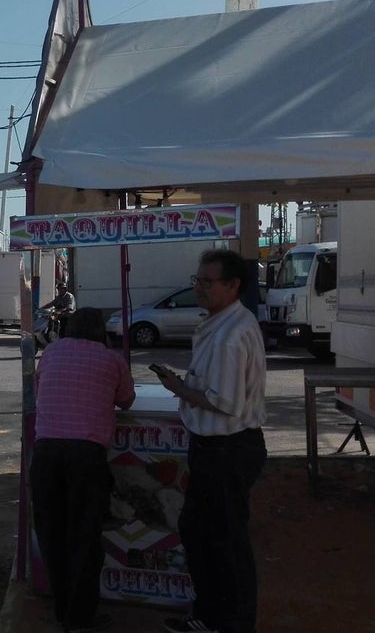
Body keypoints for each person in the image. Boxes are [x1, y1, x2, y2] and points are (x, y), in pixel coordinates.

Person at [153, 249, 267, 633]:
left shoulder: (230, 336)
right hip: (217, 449)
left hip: (227, 450)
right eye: (197, 280)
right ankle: (211, 615)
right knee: (203, 533)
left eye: (207, 282)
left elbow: (225, 403)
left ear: (232, 285)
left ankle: (228, 621)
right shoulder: (223, 324)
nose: (199, 288)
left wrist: (180, 389)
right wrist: (184, 386)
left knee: (224, 541)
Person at [31, 307, 135, 633]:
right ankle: (79, 619)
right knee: (84, 539)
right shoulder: (112, 359)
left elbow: (39, 391)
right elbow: (127, 400)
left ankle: (62, 610)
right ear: (101, 332)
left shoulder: (50, 352)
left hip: (46, 453)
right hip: (86, 457)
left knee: (52, 535)